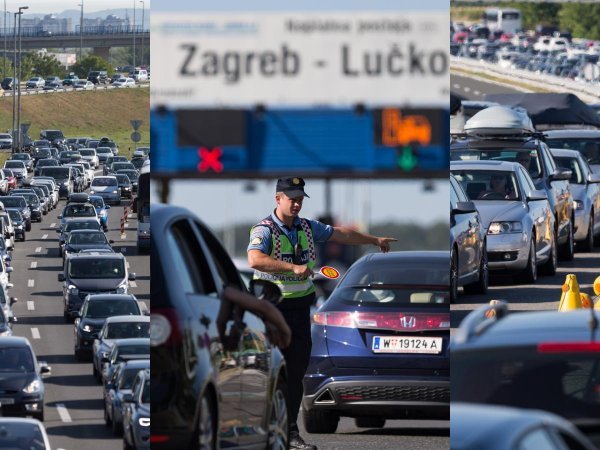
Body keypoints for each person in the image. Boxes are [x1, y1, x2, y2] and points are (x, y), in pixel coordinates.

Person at [247, 177, 397, 450]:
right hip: (273, 309)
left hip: (300, 308)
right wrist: (290, 268)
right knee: (268, 373)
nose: (296, 203)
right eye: (291, 198)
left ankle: (290, 433)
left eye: (300, 199)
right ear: (277, 198)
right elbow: (255, 259)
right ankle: (261, 431)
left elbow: (342, 234)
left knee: (296, 374)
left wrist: (374, 239)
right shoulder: (265, 229)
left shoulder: (306, 226)